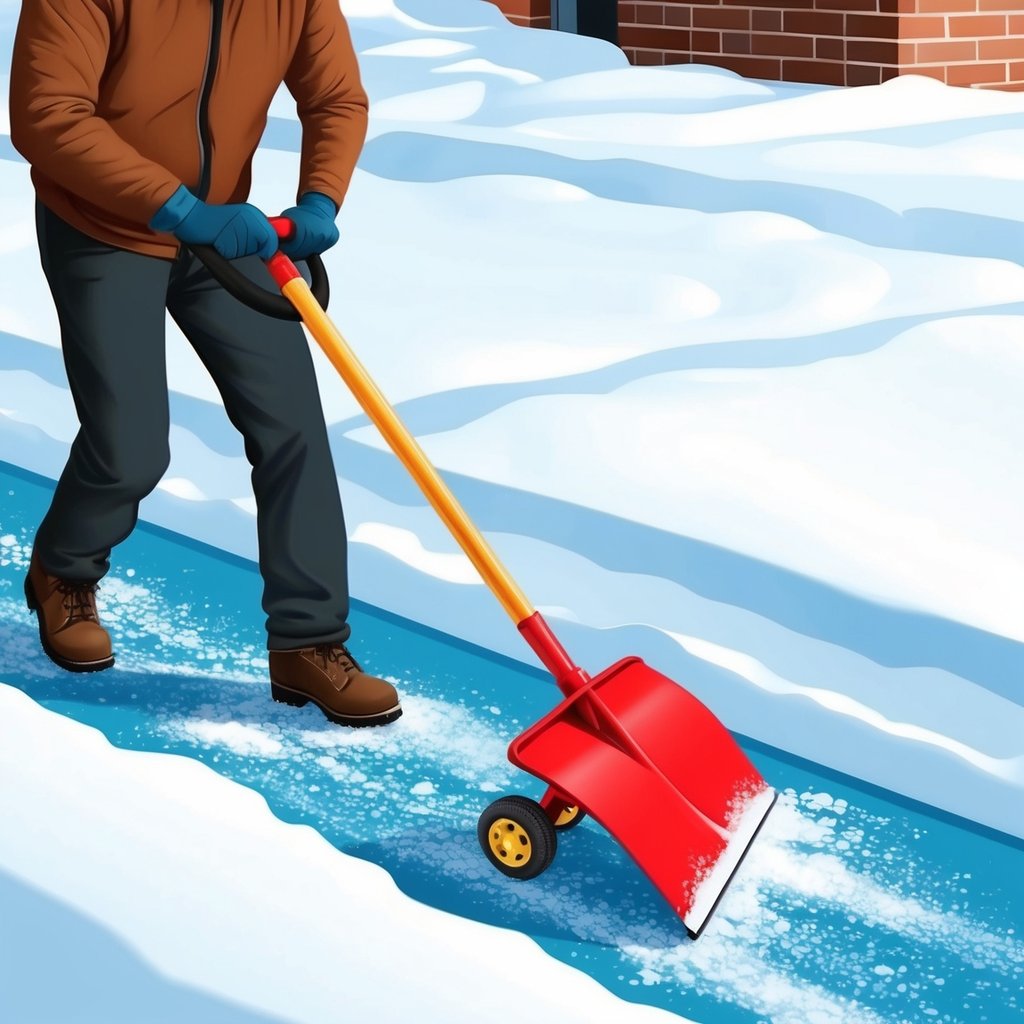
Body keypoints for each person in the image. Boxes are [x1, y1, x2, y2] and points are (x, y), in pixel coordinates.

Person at [10, 0, 401, 727]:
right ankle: (64, 570)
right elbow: (47, 114)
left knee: (294, 430)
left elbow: (335, 96)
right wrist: (176, 207)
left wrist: (321, 196)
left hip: (228, 228)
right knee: (128, 448)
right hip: (103, 226)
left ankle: (307, 643)